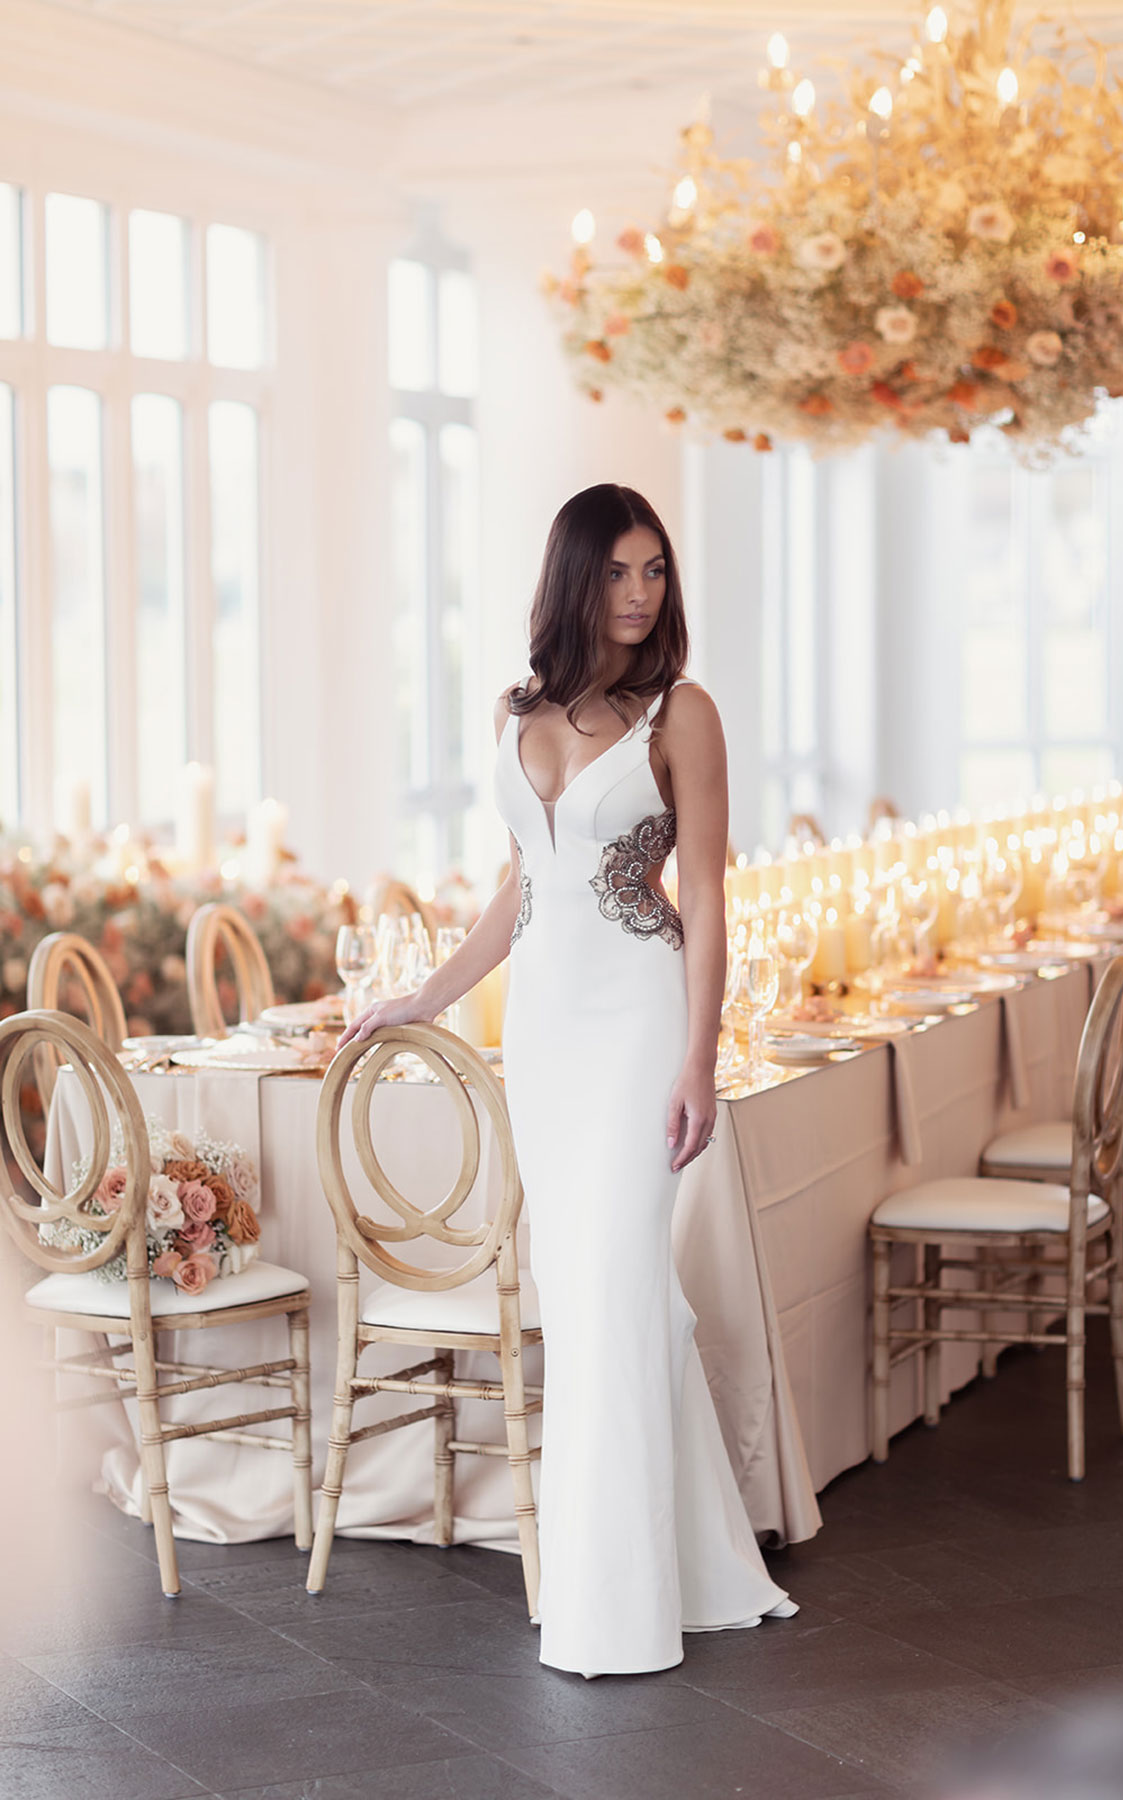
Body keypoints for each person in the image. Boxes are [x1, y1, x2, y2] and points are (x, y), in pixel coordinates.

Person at [340, 482, 795, 1676]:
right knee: (603, 1291)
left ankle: (614, 1608)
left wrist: (701, 1055)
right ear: (574, 579)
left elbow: (705, 897)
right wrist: (427, 996)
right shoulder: (517, 708)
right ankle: (686, 1564)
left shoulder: (680, 716)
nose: (642, 594)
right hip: (542, 1029)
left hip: (642, 1020)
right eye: (619, 572)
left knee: (605, 1290)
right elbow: (522, 886)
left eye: (656, 571)